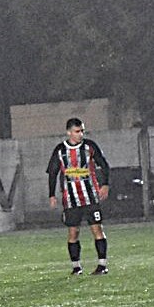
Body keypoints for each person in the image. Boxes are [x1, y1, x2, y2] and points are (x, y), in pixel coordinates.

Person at [46, 117, 111, 275]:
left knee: (97, 229)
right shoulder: (60, 150)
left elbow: (104, 165)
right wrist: (51, 195)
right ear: (69, 132)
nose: (80, 134)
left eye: (82, 131)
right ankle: (76, 267)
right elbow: (53, 173)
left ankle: (102, 265)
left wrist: (105, 184)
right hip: (71, 199)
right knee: (73, 232)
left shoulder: (90, 146)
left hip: (90, 197)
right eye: (77, 131)